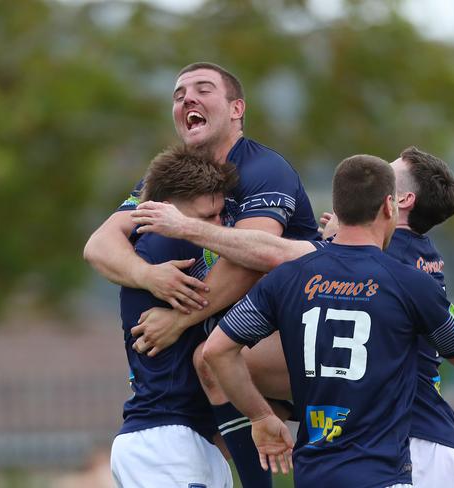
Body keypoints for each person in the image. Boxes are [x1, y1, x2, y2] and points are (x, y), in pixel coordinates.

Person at [132, 146, 454, 487]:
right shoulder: (413, 264)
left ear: (396, 202)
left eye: (389, 171)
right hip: (390, 460)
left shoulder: (363, 266)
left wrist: (188, 229)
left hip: (410, 447)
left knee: (216, 360)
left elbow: (274, 256)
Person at [84, 62, 319, 487]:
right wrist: (148, 275)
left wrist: (180, 318)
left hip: (304, 330)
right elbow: (98, 245)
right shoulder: (175, 184)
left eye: (203, 89)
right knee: (212, 379)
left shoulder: (265, 169)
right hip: (170, 430)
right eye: (178, 94)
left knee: (211, 359)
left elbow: (255, 256)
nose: (187, 99)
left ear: (236, 109)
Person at [111, 144, 236, 488]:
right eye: (204, 218)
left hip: (181, 439)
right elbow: (249, 271)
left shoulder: (178, 241)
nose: (217, 227)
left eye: (220, 215)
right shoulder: (167, 242)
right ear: (165, 212)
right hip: (167, 441)